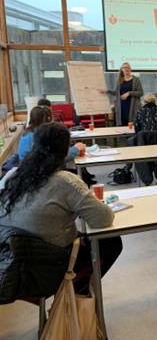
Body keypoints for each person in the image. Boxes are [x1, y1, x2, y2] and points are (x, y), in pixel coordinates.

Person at [0, 123, 122, 294]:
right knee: (111, 241)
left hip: (9, 266)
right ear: (65, 151)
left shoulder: (12, 176)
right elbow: (103, 219)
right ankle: (78, 291)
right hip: (49, 268)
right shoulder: (66, 182)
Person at [100, 62, 143, 126]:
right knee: (122, 126)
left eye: (128, 67)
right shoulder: (119, 80)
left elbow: (141, 92)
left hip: (132, 107)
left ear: (130, 69)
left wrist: (129, 93)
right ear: (122, 70)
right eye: (124, 67)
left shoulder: (136, 80)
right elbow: (117, 93)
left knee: (132, 125)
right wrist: (107, 91)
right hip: (121, 107)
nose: (126, 69)